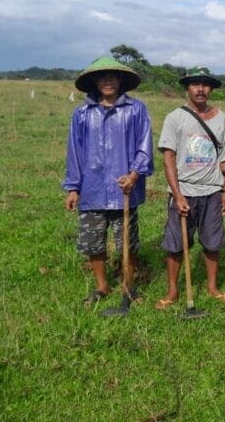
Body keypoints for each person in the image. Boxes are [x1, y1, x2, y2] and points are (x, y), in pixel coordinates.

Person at [63, 57, 154, 305]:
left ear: (121, 80)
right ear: (94, 81)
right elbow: (75, 151)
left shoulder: (136, 110)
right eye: (103, 77)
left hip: (126, 189)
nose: (108, 81)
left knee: (128, 242)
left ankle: (128, 285)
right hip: (92, 189)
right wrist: (73, 187)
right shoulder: (81, 114)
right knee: (93, 241)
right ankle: (102, 286)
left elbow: (144, 146)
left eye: (113, 77)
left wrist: (134, 174)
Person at [156, 67, 225, 309]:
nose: (200, 89)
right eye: (195, 84)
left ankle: (211, 288)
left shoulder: (221, 118)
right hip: (184, 193)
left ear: (211, 88)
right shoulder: (175, 118)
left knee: (212, 243)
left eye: (205, 84)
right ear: (187, 88)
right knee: (176, 244)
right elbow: (168, 157)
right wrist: (177, 194)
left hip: (211, 191)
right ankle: (172, 292)